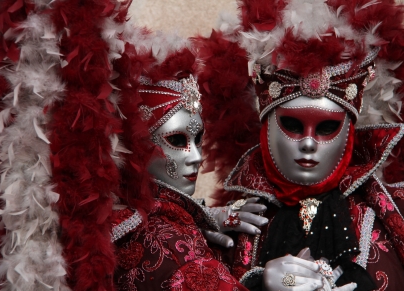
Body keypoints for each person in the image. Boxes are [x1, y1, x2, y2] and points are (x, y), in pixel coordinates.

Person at [195, 0, 404, 290]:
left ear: (349, 134)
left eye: (326, 128)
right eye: (292, 125)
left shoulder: (391, 213)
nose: (308, 143)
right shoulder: (238, 223)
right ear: (266, 130)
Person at [110, 32, 268, 290]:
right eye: (177, 141)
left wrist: (200, 217)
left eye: (198, 139)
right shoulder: (168, 248)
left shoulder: (121, 220)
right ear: (135, 146)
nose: (196, 158)